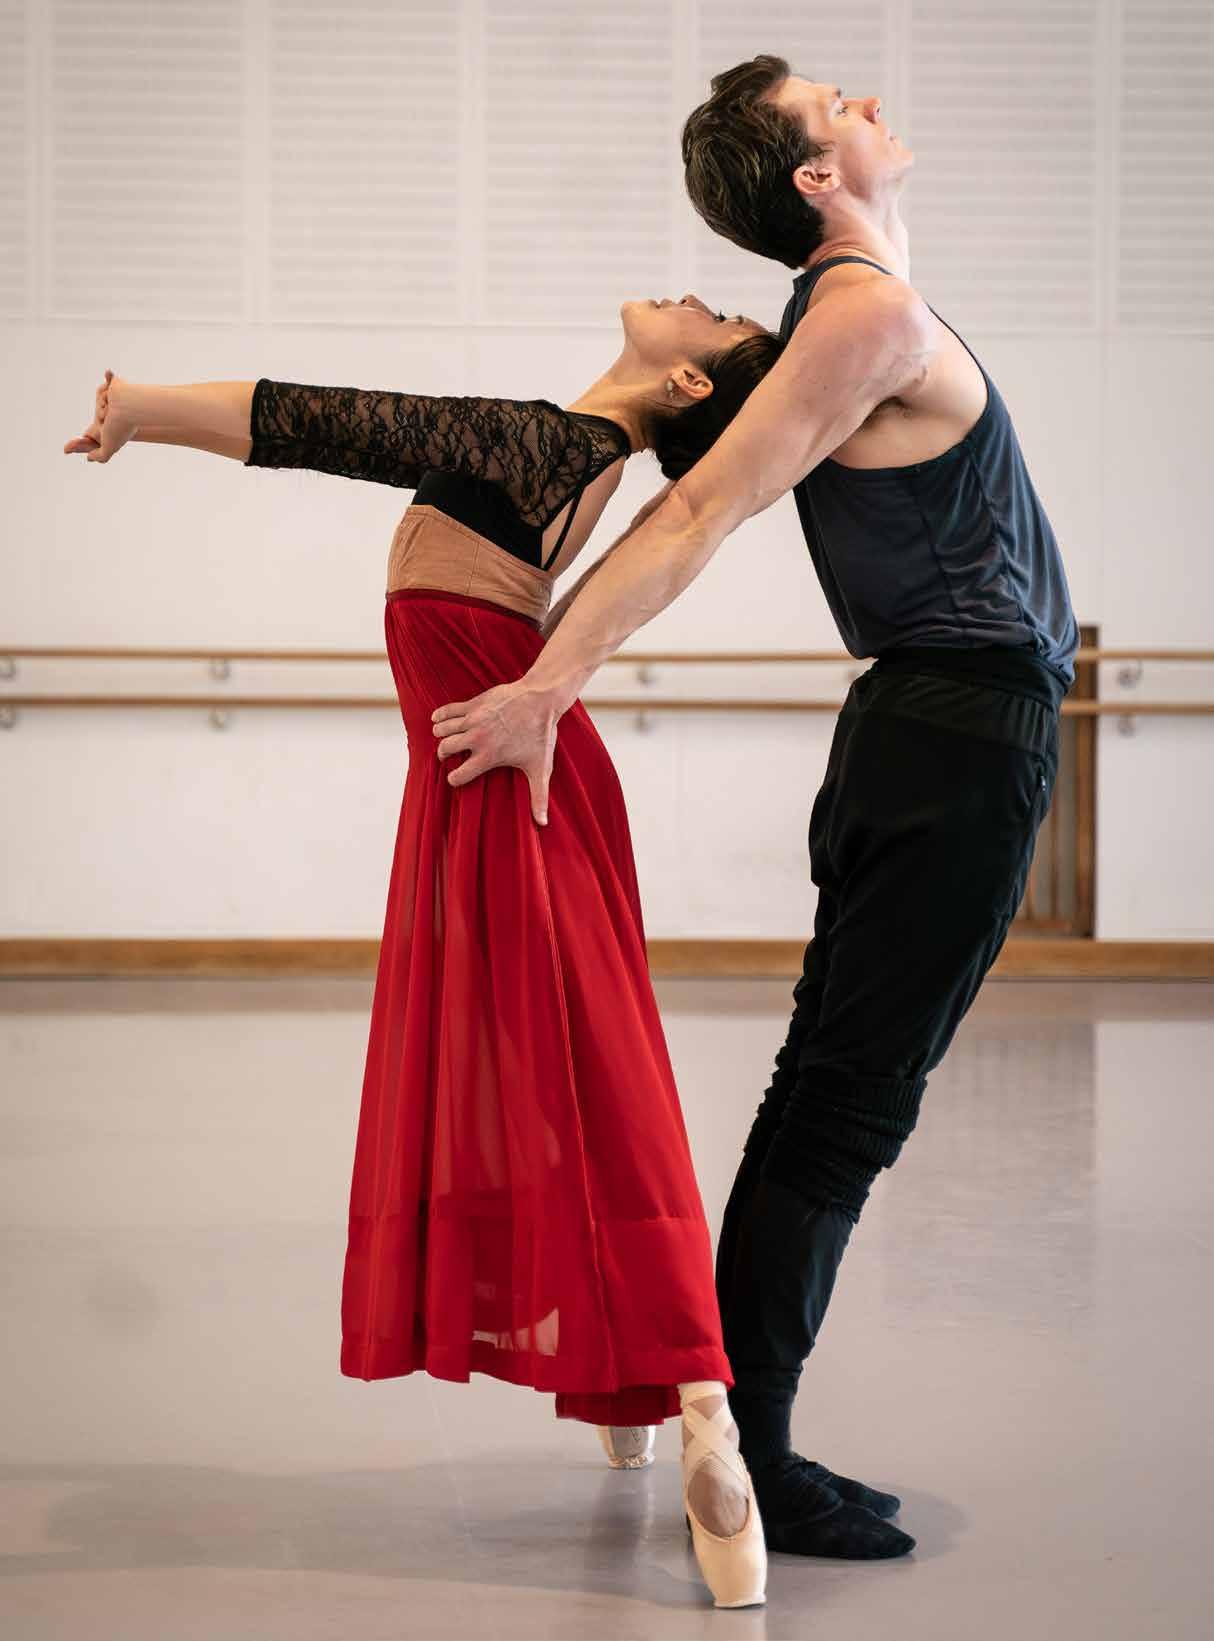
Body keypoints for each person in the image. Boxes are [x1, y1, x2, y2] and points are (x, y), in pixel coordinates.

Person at [431, 56, 1079, 1564]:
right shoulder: (860, 317)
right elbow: (697, 510)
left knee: (824, 1093)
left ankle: (735, 1416)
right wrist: (548, 683)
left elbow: (694, 489)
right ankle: (756, 1455)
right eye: (836, 101)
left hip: (926, 732)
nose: (869, 101)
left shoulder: (850, 316)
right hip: (952, 739)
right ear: (813, 176)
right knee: (846, 1104)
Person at [62, 294, 783, 1609]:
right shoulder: (574, 456)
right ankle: (645, 1386)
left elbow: (324, 424)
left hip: (506, 780)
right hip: (494, 777)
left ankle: (700, 1405)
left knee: (594, 1086)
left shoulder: (546, 442)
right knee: (565, 1084)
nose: (691, 295)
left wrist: (140, 412)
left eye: (713, 312)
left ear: (687, 381)